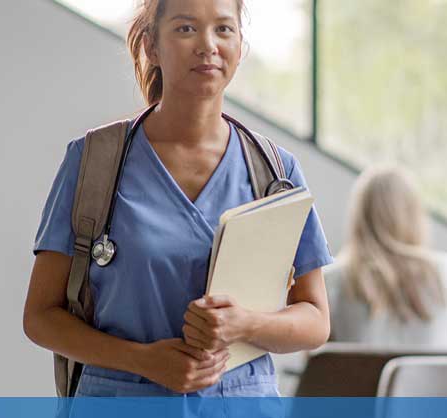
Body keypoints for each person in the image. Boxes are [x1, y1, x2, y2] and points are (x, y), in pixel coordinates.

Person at [23, 0, 333, 397]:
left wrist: (247, 325)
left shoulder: (275, 171)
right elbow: (40, 317)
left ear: (240, 45)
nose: (208, 45)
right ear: (152, 46)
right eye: (186, 29)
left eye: (224, 29)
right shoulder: (94, 162)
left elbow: (316, 320)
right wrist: (141, 359)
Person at [325, 165, 447, 347]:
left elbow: (320, 367)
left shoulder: (331, 280)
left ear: (359, 216)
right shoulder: (446, 271)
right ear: (414, 214)